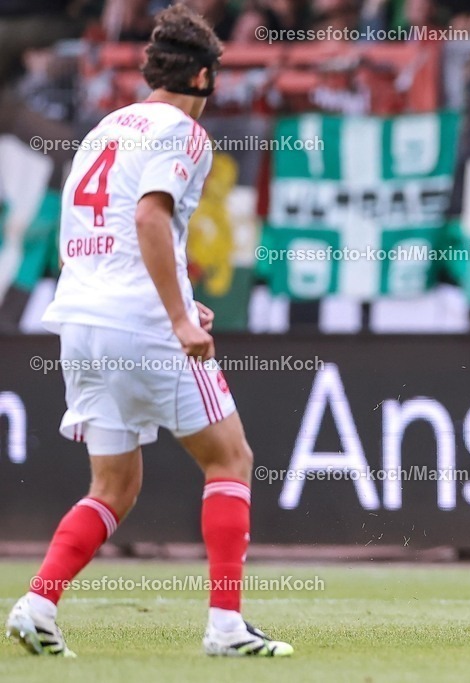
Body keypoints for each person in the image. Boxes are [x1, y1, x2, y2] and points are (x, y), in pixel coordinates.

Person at [5, 5, 293, 657]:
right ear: (201, 76)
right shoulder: (184, 133)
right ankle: (224, 625)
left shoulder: (102, 131)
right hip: (142, 323)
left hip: (79, 321)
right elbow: (149, 220)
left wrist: (178, 299)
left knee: (113, 485)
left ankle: (38, 604)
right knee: (231, 457)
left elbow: (94, 235)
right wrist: (177, 315)